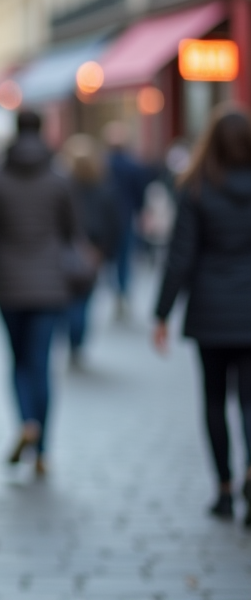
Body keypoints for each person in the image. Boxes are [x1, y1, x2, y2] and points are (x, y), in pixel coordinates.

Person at [153, 107, 251, 526]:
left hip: (211, 310)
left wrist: (161, 314)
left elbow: (180, 258)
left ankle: (225, 490)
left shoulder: (196, 189)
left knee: (214, 401)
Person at [0, 110, 80, 475]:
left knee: (18, 363)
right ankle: (43, 449)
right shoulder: (58, 179)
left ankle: (26, 423)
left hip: (9, 284)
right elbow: (71, 231)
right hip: (50, 283)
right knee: (42, 363)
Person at [60, 134, 121, 366]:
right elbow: (114, 224)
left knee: (69, 300)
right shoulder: (105, 188)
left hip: (71, 250)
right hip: (93, 251)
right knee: (84, 301)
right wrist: (105, 252)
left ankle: (72, 339)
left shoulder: (64, 186)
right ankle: (77, 341)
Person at [103, 121, 155, 319]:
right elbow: (140, 194)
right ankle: (122, 292)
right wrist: (141, 212)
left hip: (107, 220)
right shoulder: (133, 165)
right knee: (124, 258)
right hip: (125, 217)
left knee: (111, 258)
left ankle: (117, 291)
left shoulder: (102, 164)